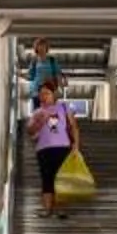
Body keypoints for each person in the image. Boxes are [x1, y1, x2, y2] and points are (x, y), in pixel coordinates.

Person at [28, 79, 80, 215]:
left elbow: (74, 127)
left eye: (47, 93)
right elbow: (31, 131)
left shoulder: (63, 107)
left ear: (53, 94)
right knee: (47, 178)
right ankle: (47, 209)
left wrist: (76, 146)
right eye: (41, 94)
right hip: (43, 149)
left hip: (63, 147)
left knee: (62, 178)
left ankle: (61, 209)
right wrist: (39, 121)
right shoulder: (37, 112)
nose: (43, 96)